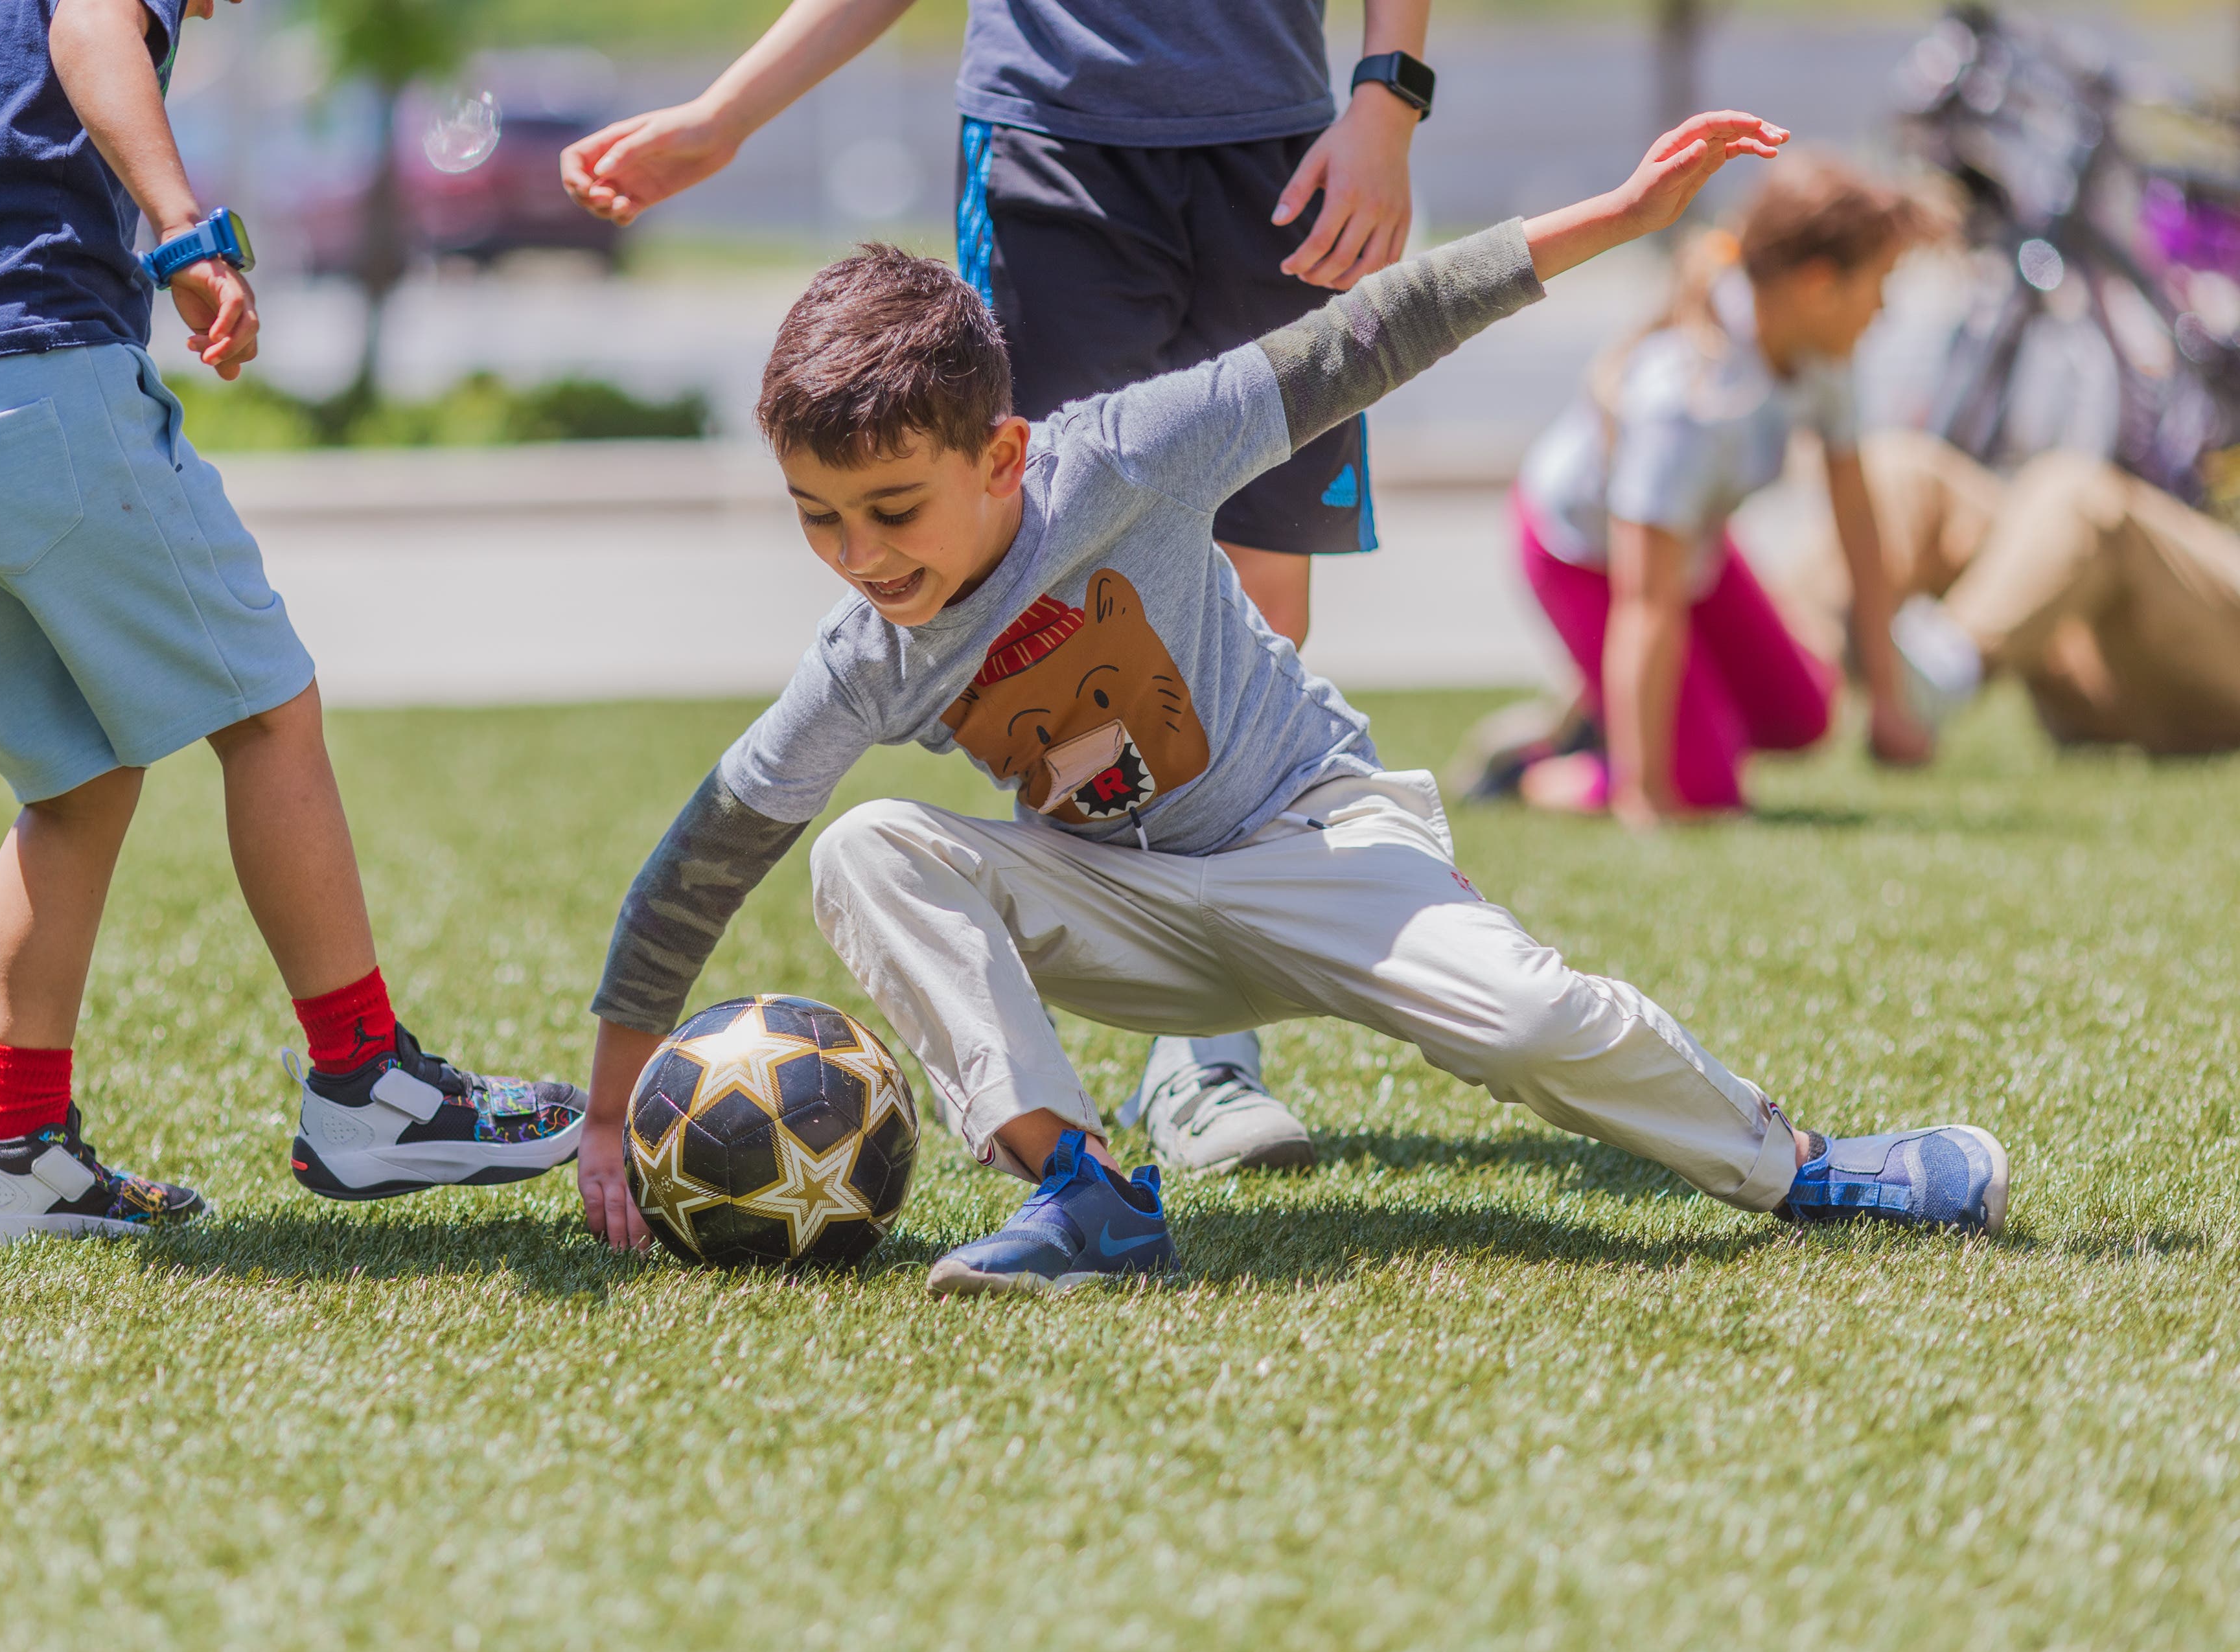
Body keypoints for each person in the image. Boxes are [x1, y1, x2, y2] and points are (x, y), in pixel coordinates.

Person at [568, 113, 2015, 1296]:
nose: (861, 555)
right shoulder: (865, 651)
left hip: (1317, 848)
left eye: (890, 506)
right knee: (865, 844)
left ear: (1003, 455)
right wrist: (604, 1108)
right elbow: (709, 849)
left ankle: (1806, 1165)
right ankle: (1080, 1194)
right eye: (818, 519)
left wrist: (1622, 216)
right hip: (1127, 909)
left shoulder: (1122, 458)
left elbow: (1369, 334)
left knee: (1527, 1020)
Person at [561, 0, 1440, 1178]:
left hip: (1283, 141)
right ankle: (1146, 1071)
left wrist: (1388, 93)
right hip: (1054, 137)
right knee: (1050, 591)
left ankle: (1207, 1046)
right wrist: (728, 114)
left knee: (1263, 586)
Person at [0, 0, 582, 1245]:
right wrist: (181, 233)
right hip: (32, 380)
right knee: (269, 714)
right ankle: (363, 1080)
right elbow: (98, 31)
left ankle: (18, 1157)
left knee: (76, 781)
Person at [1501, 155, 1952, 825]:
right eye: (1880, 285)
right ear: (1818, 285)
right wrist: (1645, 794)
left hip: (1688, 548)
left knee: (1802, 717)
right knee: (1704, 793)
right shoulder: (1691, 398)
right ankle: (1530, 770)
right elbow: (1645, 601)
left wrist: (1887, 701)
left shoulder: (1822, 350)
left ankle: (1625, 720)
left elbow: (1856, 518)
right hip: (1582, 555)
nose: (1883, 311)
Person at [1764, 430, 2240, 756]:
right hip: (2105, 638)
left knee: (2079, 496)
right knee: (1904, 468)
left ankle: (1934, 679)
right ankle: (1778, 673)